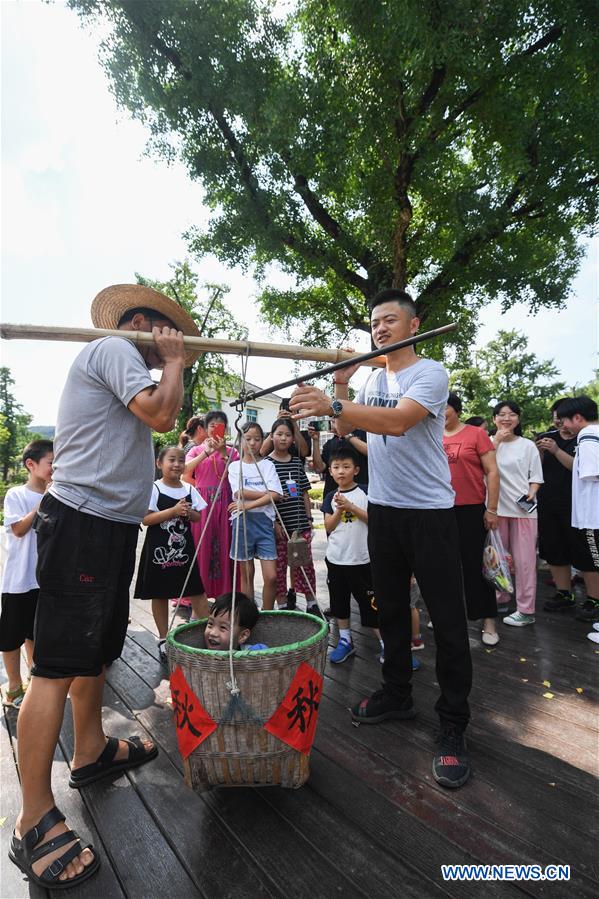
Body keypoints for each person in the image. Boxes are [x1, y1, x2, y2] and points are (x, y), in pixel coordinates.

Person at [9, 284, 197, 889]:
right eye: (166, 334)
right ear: (142, 322)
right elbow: (163, 416)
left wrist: (171, 365)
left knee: (96, 653)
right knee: (56, 667)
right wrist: (173, 361)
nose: (170, 347)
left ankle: (88, 749)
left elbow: (161, 417)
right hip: (82, 525)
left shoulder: (131, 369)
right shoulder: (115, 347)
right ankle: (32, 818)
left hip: (111, 527)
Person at [290, 287, 473, 790]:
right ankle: (397, 694)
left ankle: (453, 723)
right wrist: (341, 384)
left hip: (431, 514)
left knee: (448, 621)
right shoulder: (372, 379)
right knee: (388, 610)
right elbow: (348, 424)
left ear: (413, 326)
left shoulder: (429, 373)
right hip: (386, 513)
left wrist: (336, 400)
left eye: (390, 320)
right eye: (374, 323)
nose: (380, 328)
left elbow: (398, 422)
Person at [134, 446, 208, 663]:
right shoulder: (154, 488)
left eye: (181, 460)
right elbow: (146, 519)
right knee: (160, 593)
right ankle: (163, 638)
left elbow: (197, 517)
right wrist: (173, 511)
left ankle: (207, 634)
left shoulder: (189, 488)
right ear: (159, 464)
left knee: (196, 589)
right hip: (159, 551)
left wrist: (188, 512)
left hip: (184, 550)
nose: (177, 464)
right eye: (172, 460)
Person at [443, 392, 501, 645]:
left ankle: (488, 619)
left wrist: (492, 509)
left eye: (444, 407)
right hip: (438, 510)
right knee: (443, 567)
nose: (439, 412)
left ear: (456, 409)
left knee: (476, 567)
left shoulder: (476, 434)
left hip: (470, 509)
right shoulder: (430, 435)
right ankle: (449, 615)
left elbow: (492, 471)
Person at [0, 440, 53, 710]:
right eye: (51, 463)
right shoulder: (16, 494)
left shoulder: (56, 496)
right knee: (11, 637)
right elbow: (19, 529)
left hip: (44, 578)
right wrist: (44, 500)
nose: (55, 468)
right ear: (30, 464)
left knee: (36, 633)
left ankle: (34, 680)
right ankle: (13, 686)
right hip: (19, 580)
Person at [322, 449, 384, 664]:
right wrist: (339, 510)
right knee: (339, 602)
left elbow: (373, 521)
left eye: (346, 467)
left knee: (371, 605)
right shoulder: (330, 497)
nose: (341, 471)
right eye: (336, 467)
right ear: (330, 472)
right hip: (336, 559)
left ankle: (387, 645)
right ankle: (345, 640)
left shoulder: (366, 492)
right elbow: (328, 526)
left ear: (356, 470)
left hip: (362, 560)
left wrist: (350, 506)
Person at [491, 401, 544, 627]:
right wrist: (496, 442)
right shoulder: (487, 442)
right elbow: (478, 468)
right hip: (495, 509)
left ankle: (525, 610)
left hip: (523, 510)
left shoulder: (527, 445)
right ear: (494, 419)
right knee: (497, 559)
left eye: (512, 414)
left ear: (518, 419)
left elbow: (536, 477)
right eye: (502, 414)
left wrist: (532, 492)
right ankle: (500, 597)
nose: (506, 418)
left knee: (525, 562)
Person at [553, 396, 599, 625]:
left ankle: (595, 603)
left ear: (578, 417)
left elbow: (591, 472)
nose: (563, 426)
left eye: (564, 421)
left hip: (592, 515)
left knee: (594, 561)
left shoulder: (588, 436)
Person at [184, 410, 239, 598]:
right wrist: (206, 453)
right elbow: (185, 470)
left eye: (220, 426)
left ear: (226, 429)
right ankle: (197, 594)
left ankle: (224, 593)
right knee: (201, 545)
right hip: (202, 503)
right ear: (205, 429)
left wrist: (222, 452)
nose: (215, 429)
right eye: (212, 426)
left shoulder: (232, 451)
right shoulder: (195, 450)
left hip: (226, 501)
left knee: (225, 545)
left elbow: (236, 475)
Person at [227, 422, 283, 610]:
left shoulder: (268, 465)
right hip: (242, 523)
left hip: (264, 523)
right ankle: (249, 614)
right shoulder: (235, 466)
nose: (252, 443)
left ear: (263, 441)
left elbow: (276, 495)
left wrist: (248, 504)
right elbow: (239, 492)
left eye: (257, 439)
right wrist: (267, 493)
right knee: (246, 575)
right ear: (240, 440)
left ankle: (267, 614)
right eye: (248, 438)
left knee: (271, 576)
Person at [267, 418, 319, 615]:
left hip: (300, 525)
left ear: (293, 439)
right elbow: (266, 498)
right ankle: (282, 605)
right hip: (279, 527)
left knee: (305, 564)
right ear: (271, 436)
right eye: (279, 434)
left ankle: (312, 603)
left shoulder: (297, 462)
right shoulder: (266, 464)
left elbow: (304, 493)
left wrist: (309, 519)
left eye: (288, 435)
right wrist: (274, 523)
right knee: (279, 567)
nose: (283, 438)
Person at [535, 403, 577, 613]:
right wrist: (538, 452)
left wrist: (556, 450)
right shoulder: (546, 436)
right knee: (554, 550)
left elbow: (580, 468)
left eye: (563, 417)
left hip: (577, 505)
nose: (559, 421)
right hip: (548, 503)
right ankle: (564, 593)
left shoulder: (585, 438)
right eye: (556, 417)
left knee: (584, 552)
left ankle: (593, 599)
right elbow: (535, 469)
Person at [311, 417, 369, 497]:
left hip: (360, 492)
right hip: (334, 494)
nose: (332, 421)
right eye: (332, 418)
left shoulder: (363, 433)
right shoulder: (329, 444)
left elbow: (372, 452)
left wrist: (345, 434)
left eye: (336, 418)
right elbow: (319, 469)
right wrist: (315, 440)